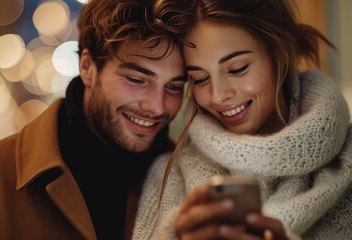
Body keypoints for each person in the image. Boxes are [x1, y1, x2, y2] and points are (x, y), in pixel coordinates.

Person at [0, 0, 187, 239]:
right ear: (87, 67)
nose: (157, 106)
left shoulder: (189, 180)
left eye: (174, 87)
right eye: (136, 80)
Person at [131, 0, 352, 239]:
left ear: (280, 53)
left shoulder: (347, 161)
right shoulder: (168, 174)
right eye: (200, 79)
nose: (218, 96)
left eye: (237, 69)